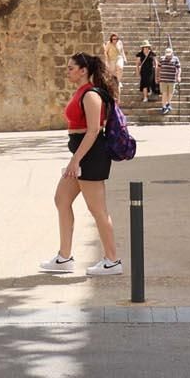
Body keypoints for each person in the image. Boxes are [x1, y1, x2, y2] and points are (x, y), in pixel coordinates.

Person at [40, 53, 124, 276]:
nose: (67, 71)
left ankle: (112, 260)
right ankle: (64, 257)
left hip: (91, 156)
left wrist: (75, 159)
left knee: (97, 210)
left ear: (83, 70)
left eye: (70, 68)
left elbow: (94, 130)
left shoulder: (91, 95)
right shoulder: (82, 93)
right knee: (61, 199)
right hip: (82, 155)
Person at [158, 46, 181, 115]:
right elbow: (158, 68)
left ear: (172, 53)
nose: (168, 56)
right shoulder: (162, 59)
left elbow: (179, 68)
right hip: (163, 79)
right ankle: (164, 106)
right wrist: (157, 76)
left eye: (169, 54)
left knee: (170, 93)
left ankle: (168, 103)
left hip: (172, 79)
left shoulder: (175, 59)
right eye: (167, 54)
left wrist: (179, 76)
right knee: (164, 93)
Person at [137, 43, 159, 108]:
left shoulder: (152, 54)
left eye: (147, 47)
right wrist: (137, 72)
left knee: (150, 81)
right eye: (144, 47)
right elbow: (137, 64)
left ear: (149, 47)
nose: (146, 49)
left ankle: (151, 92)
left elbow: (156, 63)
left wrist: (156, 71)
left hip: (151, 70)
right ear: (142, 48)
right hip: (143, 71)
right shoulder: (140, 54)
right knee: (144, 84)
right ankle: (145, 97)